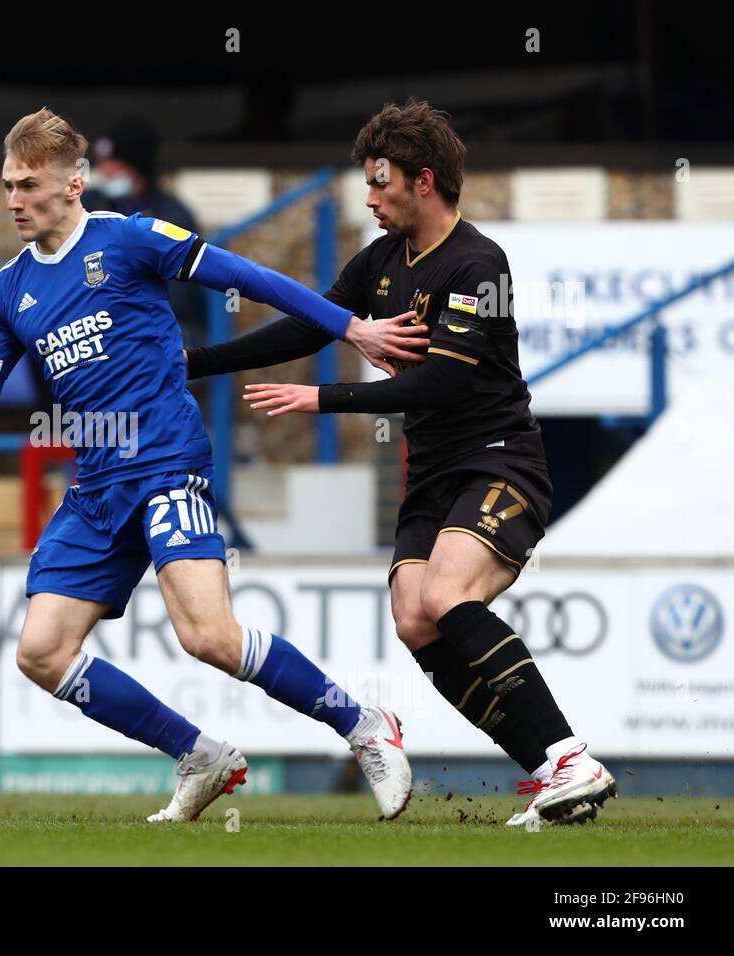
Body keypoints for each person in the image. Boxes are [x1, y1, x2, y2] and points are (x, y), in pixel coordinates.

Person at [0, 107, 428, 822]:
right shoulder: (6, 293)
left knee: (208, 637)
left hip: (166, 464)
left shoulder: (130, 239)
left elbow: (251, 278)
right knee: (41, 652)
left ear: (74, 183)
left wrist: (349, 327)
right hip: (96, 489)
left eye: (29, 184)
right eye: (8, 185)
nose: (14, 200)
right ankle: (199, 754)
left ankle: (362, 725)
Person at [184, 100, 616, 827]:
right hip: (433, 475)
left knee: (448, 594)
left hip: (498, 462)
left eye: (380, 183)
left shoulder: (479, 264)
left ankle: (574, 757)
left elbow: (440, 383)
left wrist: (321, 398)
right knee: (416, 620)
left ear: (424, 180)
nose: (369, 197)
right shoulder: (381, 260)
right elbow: (309, 325)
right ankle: (550, 773)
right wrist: (194, 362)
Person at [82, 118, 207, 350]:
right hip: (94, 322)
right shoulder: (89, 204)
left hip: (163, 323)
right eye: (102, 163)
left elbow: (177, 296)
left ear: (137, 166)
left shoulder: (171, 214)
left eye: (114, 163)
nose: (105, 171)